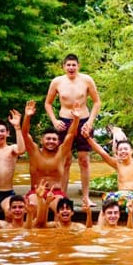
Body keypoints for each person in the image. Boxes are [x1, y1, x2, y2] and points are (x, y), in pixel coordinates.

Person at [44, 53, 101, 208]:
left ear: (78, 66)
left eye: (73, 65)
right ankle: (63, 196)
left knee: (84, 160)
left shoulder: (87, 80)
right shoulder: (57, 82)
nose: (71, 68)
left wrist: (90, 122)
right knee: (66, 160)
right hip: (64, 121)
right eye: (68, 65)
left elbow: (96, 102)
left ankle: (86, 197)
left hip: (84, 121)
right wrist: (55, 121)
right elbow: (48, 104)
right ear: (63, 67)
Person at [82, 111, 133, 228]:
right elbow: (102, 153)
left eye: (125, 149)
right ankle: (100, 231)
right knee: (106, 203)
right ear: (117, 153)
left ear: (131, 151)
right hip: (119, 196)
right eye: (120, 150)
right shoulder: (117, 164)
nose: (123, 151)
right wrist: (88, 138)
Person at [22, 100, 79, 216]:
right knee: (33, 209)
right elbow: (25, 133)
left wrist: (76, 119)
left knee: (63, 212)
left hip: (56, 193)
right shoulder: (34, 152)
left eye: (54, 139)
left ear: (58, 142)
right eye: (48, 139)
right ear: (42, 140)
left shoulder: (61, 153)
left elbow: (71, 135)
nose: (51, 142)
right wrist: (27, 116)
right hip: (36, 192)